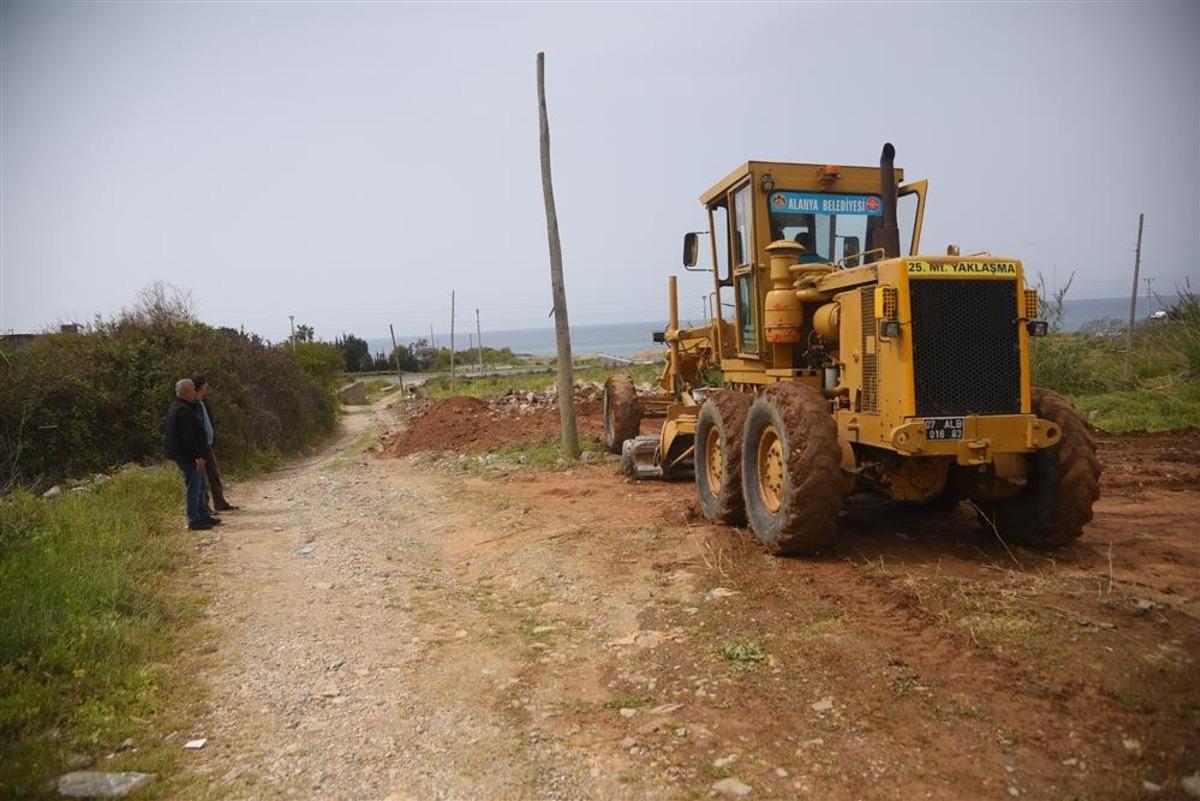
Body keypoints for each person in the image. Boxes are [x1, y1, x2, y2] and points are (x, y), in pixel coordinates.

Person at [164, 378, 221, 531]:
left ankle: (202, 514)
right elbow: (188, 438)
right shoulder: (182, 410)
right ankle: (194, 519)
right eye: (192, 390)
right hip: (189, 457)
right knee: (194, 486)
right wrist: (197, 456)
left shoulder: (183, 407)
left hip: (191, 456)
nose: (195, 392)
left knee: (201, 485)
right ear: (187, 391)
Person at [192, 375, 238, 512]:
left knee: (214, 475)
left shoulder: (204, 402)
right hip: (201, 446)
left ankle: (220, 502)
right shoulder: (193, 405)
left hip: (209, 444)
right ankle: (205, 507)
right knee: (203, 478)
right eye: (205, 385)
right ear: (200, 387)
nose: (207, 388)